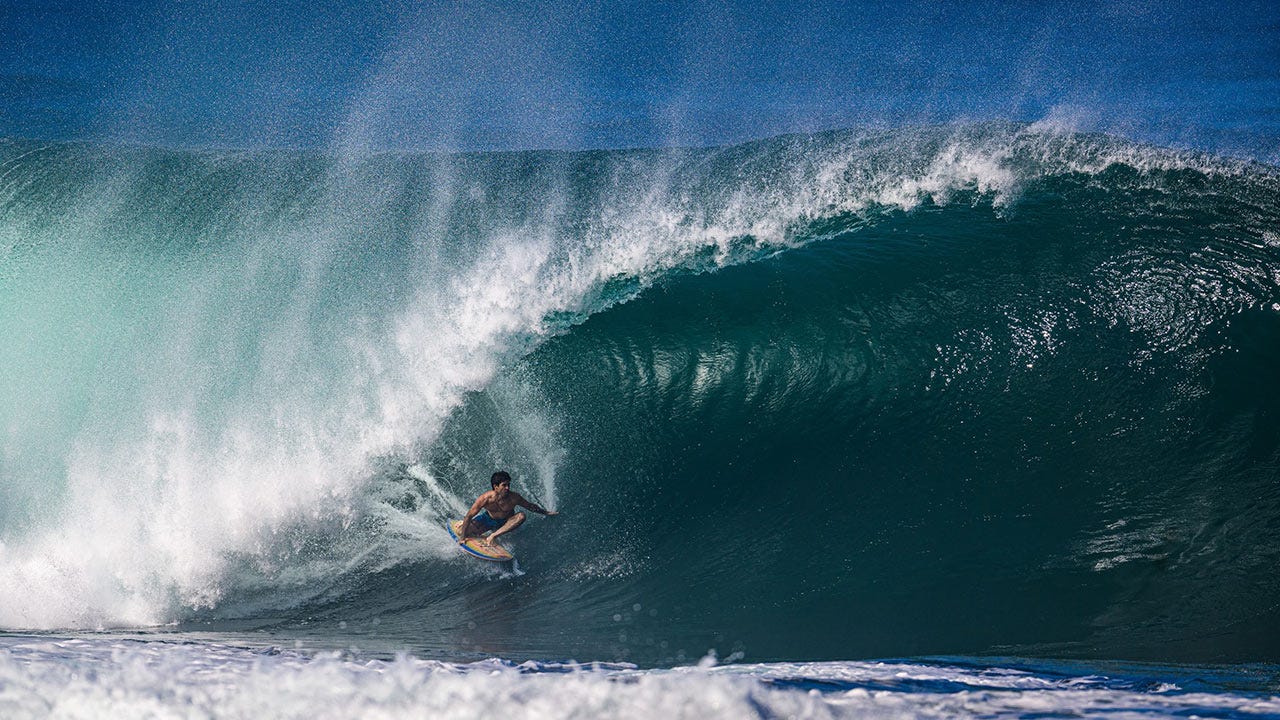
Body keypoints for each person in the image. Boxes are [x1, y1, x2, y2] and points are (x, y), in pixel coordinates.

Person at [458, 471, 558, 547]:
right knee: (462, 532)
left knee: (521, 516)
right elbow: (469, 515)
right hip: (488, 519)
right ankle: (473, 531)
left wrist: (546, 512)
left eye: (508, 485)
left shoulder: (514, 497)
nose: (507, 488)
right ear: (495, 487)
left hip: (506, 523)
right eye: (504, 485)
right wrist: (462, 538)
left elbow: (530, 506)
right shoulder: (485, 499)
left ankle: (492, 536)